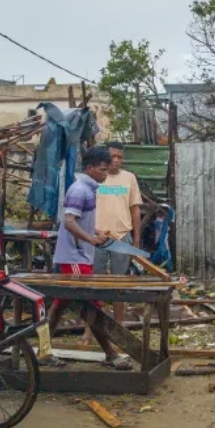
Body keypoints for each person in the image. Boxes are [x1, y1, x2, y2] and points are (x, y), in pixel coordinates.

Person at [48, 146, 133, 371]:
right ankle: (111, 354)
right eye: (102, 170)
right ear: (90, 168)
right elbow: (69, 222)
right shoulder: (79, 190)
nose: (106, 174)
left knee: (60, 306)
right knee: (92, 305)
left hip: (79, 255)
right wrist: (90, 239)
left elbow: (79, 221)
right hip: (74, 257)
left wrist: (95, 233)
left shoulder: (88, 188)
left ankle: (43, 351)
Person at [94, 141, 142, 324]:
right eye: (112, 156)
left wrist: (136, 240)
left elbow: (135, 209)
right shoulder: (97, 177)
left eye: (120, 157)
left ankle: (118, 325)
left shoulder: (129, 178)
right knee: (95, 283)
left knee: (119, 283)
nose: (116, 160)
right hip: (97, 237)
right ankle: (93, 327)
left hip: (121, 236)